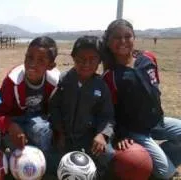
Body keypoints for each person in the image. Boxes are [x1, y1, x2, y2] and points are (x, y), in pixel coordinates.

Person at [102, 19, 181, 179]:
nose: (123, 41)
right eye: (117, 37)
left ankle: (159, 159)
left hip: (157, 122)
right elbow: (112, 114)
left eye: (128, 36)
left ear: (134, 38)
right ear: (109, 43)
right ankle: (157, 165)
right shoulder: (111, 77)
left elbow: (155, 89)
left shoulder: (148, 58)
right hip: (135, 131)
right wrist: (122, 135)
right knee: (167, 174)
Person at [50, 36, 115, 178]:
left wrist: (102, 135)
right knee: (53, 161)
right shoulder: (64, 80)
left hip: (89, 138)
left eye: (92, 59)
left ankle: (97, 174)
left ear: (99, 61)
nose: (86, 63)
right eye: (81, 59)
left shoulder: (101, 86)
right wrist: (59, 132)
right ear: (73, 58)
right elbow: (54, 107)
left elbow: (107, 115)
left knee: (108, 154)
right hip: (65, 136)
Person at [0, 36, 60, 153]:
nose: (32, 64)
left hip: (38, 120)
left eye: (41, 61)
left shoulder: (55, 82)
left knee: (43, 132)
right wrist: (10, 126)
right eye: (29, 57)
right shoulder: (13, 81)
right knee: (16, 148)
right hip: (14, 120)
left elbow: (55, 110)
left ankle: (45, 160)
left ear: (50, 66)